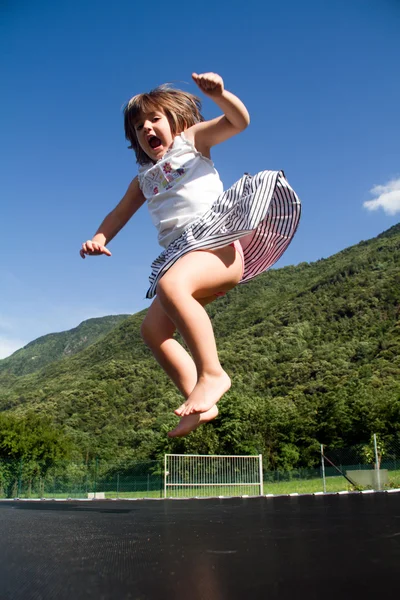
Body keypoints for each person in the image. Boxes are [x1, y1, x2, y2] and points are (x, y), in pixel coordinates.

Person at [80, 72, 301, 438]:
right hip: (183, 256)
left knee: (171, 285)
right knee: (152, 331)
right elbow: (119, 213)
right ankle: (200, 401)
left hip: (218, 243)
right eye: (138, 127)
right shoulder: (143, 179)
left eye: (154, 119)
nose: (147, 129)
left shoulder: (192, 143)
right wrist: (100, 237)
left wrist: (221, 94)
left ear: (176, 121)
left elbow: (238, 121)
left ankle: (212, 373)